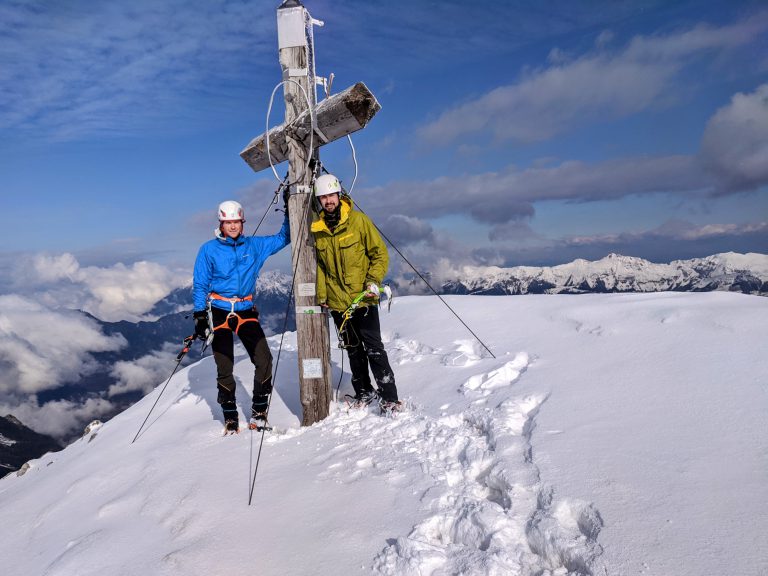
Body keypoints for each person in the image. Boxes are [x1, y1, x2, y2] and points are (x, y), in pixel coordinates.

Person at [192, 200, 290, 433]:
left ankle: (259, 411)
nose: (233, 226)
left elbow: (283, 238)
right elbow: (200, 284)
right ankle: (230, 415)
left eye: (236, 221)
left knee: (264, 359)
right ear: (221, 223)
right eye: (228, 222)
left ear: (242, 222)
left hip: (245, 309)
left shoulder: (254, 246)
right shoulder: (208, 249)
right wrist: (199, 315)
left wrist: (289, 208)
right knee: (224, 365)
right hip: (219, 310)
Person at [310, 174, 401, 413]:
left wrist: (373, 280)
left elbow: (379, 254)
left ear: (339, 195)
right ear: (319, 200)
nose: (328, 201)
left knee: (374, 348)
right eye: (323, 197)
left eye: (331, 195)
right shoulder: (318, 230)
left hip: (363, 299)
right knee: (353, 349)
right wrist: (322, 296)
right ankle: (364, 392)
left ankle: (390, 398)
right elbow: (320, 266)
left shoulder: (358, 221)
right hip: (338, 303)